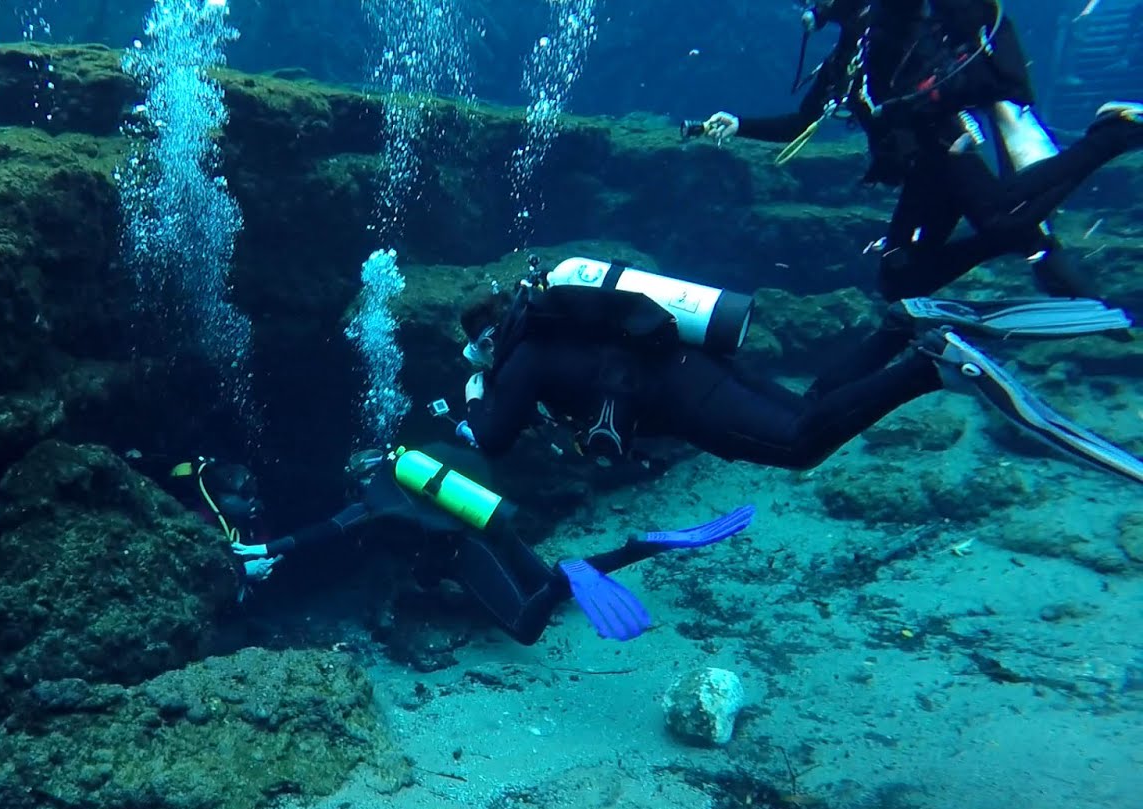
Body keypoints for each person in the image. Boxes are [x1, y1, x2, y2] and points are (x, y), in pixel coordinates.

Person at [453, 256, 1143, 484]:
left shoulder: (525, 353)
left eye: (480, 349)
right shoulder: (557, 324)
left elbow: (494, 437)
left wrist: (478, 393)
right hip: (694, 366)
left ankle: (932, 366)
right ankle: (896, 328)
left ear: (488, 337)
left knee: (799, 443)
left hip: (685, 394)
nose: (485, 358)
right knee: (809, 405)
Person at [689, 0, 1143, 307]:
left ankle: (1112, 135)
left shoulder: (894, 20)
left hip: (949, 142)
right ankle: (1026, 249)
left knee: (1001, 216)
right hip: (922, 170)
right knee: (898, 278)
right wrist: (739, 124)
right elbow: (799, 121)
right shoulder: (845, 59)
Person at [229, 442, 754, 645]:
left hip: (467, 552)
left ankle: (567, 577)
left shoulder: (375, 497)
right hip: (494, 528)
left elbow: (328, 529)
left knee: (526, 627)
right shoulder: (422, 476)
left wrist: (266, 550)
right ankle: (641, 546)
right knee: (545, 584)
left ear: (358, 477)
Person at [165, 456, 281, 598]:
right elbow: (200, 569)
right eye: (245, 495)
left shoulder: (242, 518)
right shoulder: (201, 519)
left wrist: (261, 559)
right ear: (225, 497)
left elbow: (260, 537)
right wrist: (243, 571)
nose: (252, 500)